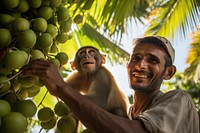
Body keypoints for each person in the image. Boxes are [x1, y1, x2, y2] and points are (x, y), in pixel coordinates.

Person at [21, 36, 199, 133]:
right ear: (127, 66)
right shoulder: (128, 116)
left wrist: (62, 89)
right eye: (135, 58)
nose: (141, 65)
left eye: (152, 60)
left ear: (168, 72)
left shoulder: (179, 100)